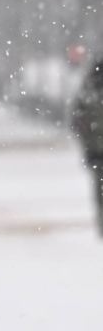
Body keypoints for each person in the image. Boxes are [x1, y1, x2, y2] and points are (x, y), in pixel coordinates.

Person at [72, 57, 103, 236]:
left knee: (100, 190)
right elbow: (79, 122)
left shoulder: (88, 93)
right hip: (96, 150)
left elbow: (78, 121)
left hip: (95, 150)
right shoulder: (89, 94)